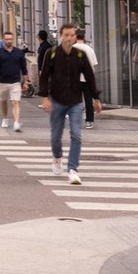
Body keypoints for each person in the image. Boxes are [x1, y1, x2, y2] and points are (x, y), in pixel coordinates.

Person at [37, 22, 99, 185]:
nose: (69, 38)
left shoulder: (80, 55)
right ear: (61, 36)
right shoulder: (51, 53)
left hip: (75, 102)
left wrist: (96, 98)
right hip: (57, 101)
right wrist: (44, 98)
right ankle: (57, 157)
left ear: (75, 37)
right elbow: (43, 77)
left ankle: (73, 169)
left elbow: (90, 77)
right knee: (56, 137)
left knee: (76, 135)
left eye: (72, 35)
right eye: (66, 35)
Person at [0, 36, 29, 129]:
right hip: (2, 82)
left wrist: (25, 82)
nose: (9, 41)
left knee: (15, 102)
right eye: (7, 39)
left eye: (11, 39)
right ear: (4, 40)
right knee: (3, 101)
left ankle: (16, 122)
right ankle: (5, 118)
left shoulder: (19, 53)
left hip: (15, 81)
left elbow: (24, 68)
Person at [74, 27, 101, 127]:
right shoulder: (90, 49)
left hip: (75, 78)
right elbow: (94, 64)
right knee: (88, 100)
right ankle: (89, 121)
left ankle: (74, 118)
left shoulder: (72, 49)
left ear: (75, 36)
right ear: (84, 37)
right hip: (87, 79)